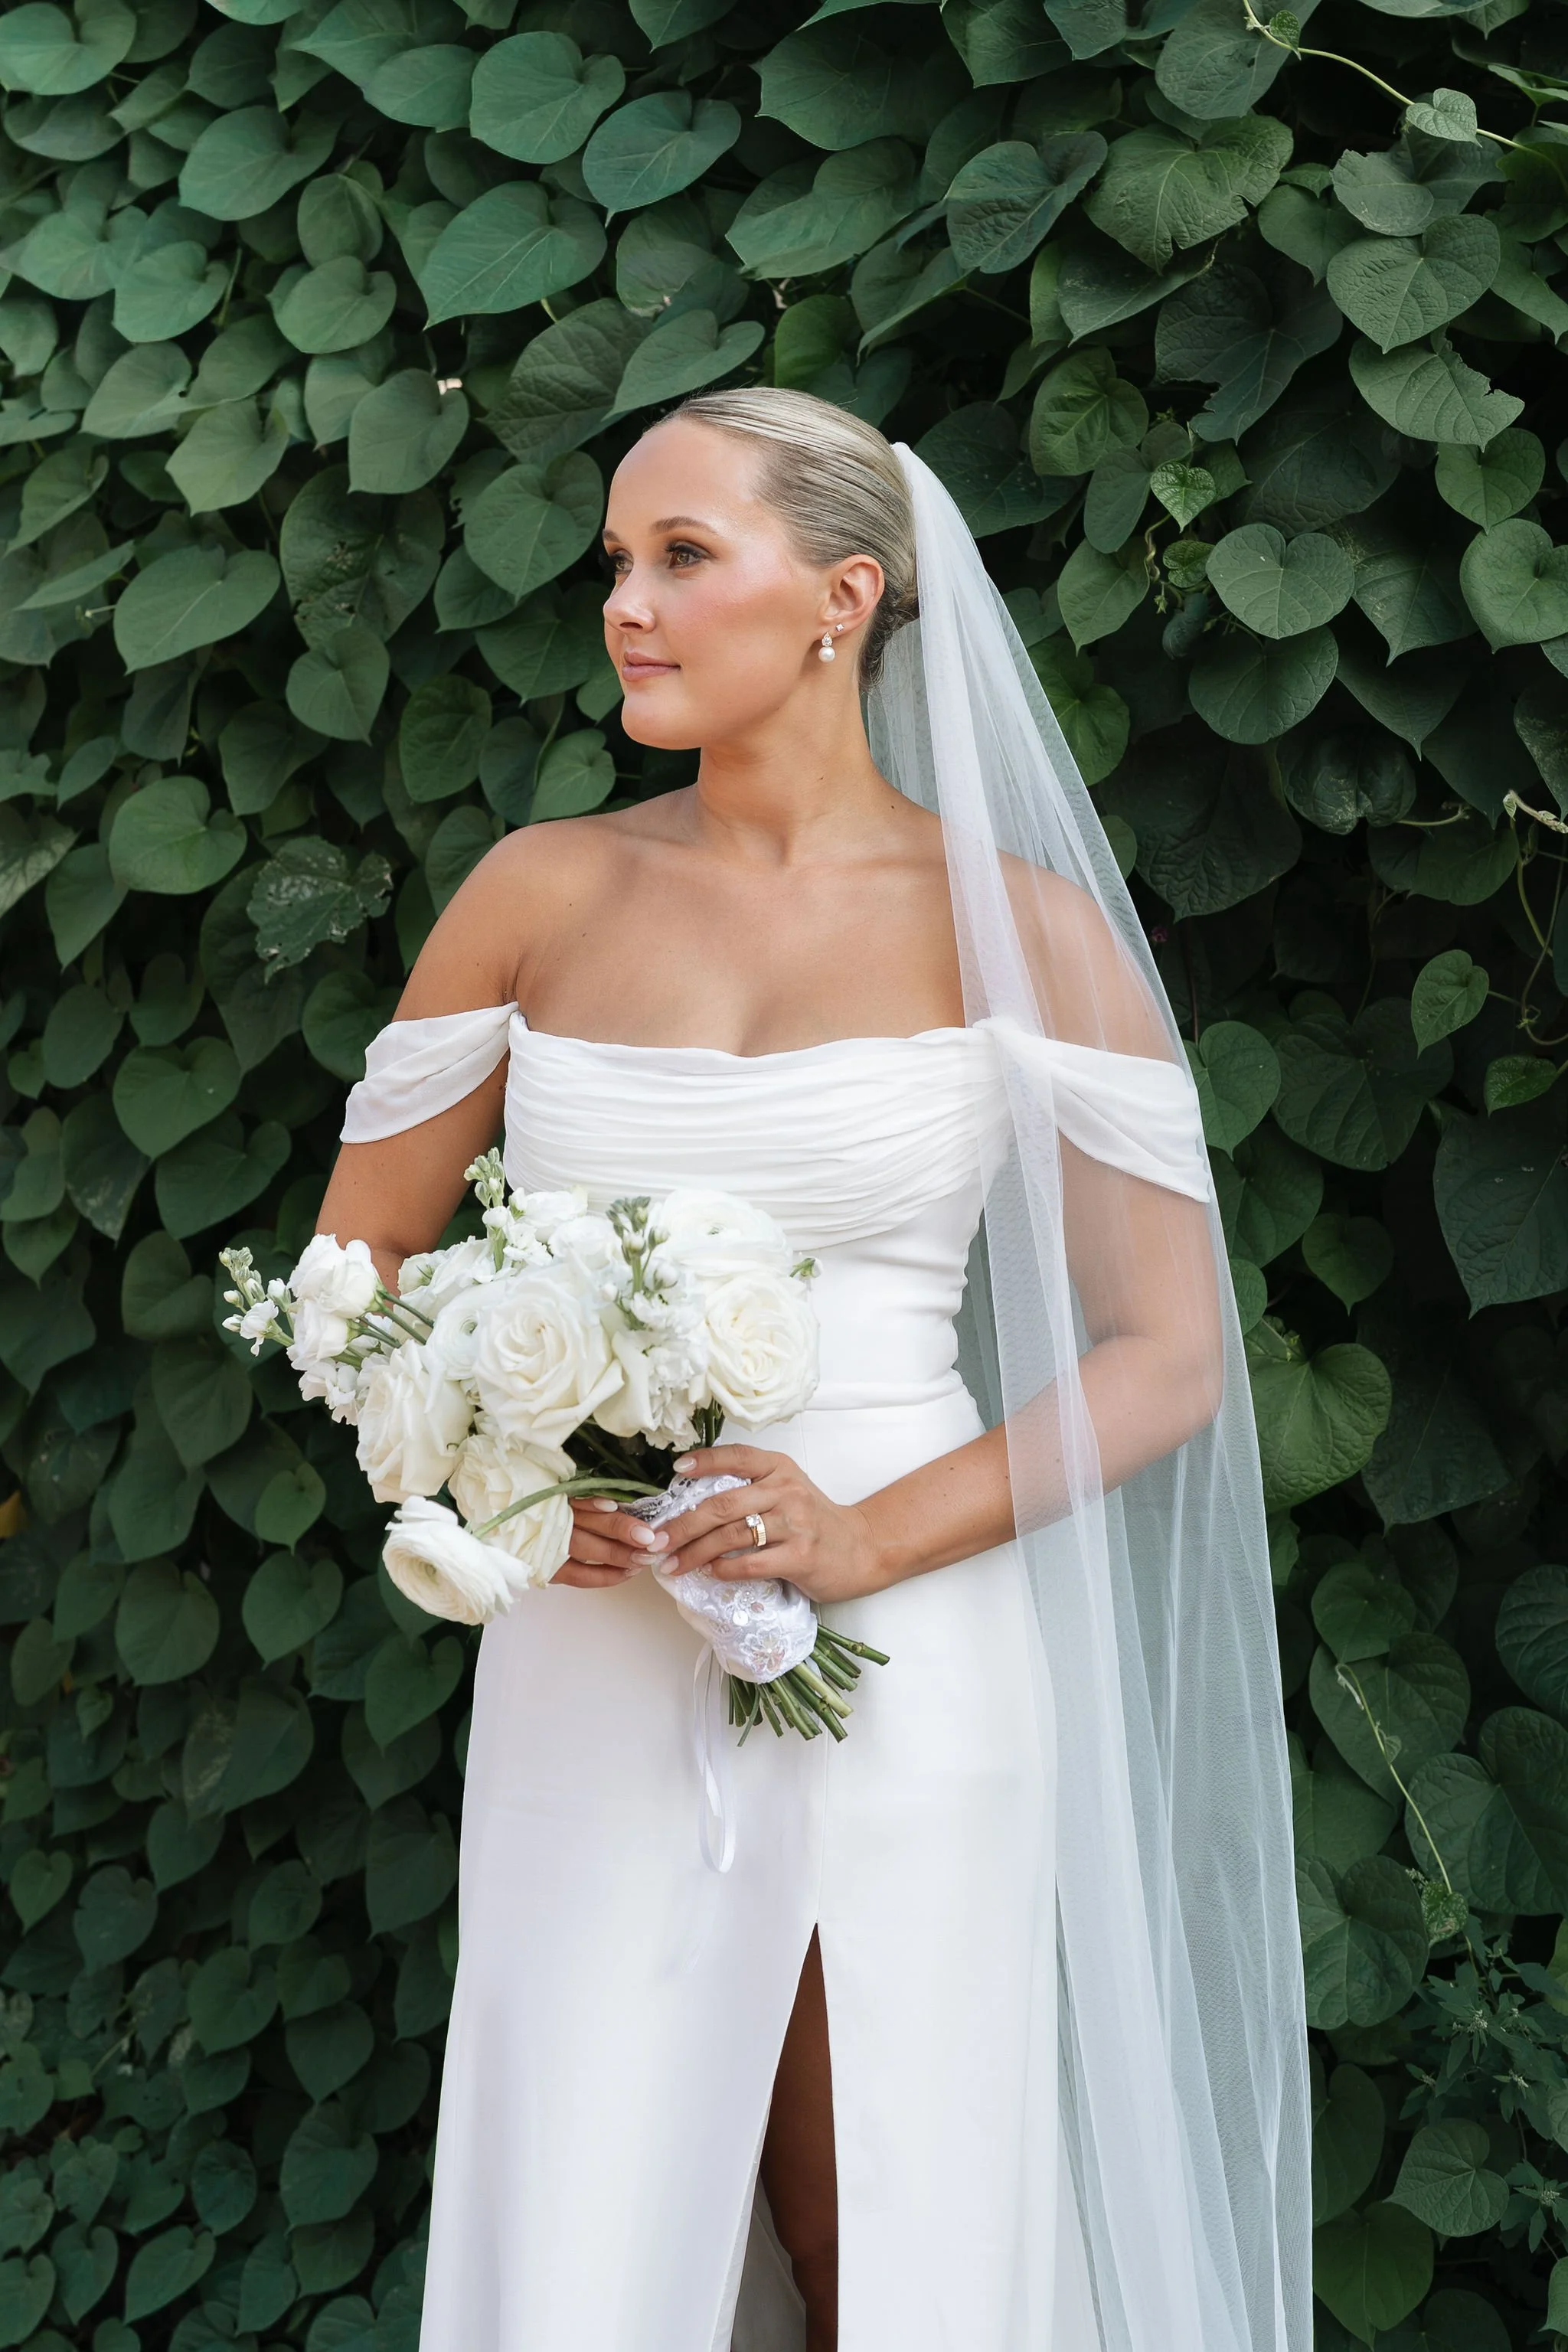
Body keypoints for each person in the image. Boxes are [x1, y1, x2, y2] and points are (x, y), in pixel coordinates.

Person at [316, 389, 1310, 2352]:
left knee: (894, 2197)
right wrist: (519, 1483)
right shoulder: (537, 893)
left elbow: (1167, 1354)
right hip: (595, 1642)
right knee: (602, 2176)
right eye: (618, 561)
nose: (627, 604)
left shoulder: (1021, 936)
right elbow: (357, 1280)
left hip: (912, 1628)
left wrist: (861, 1539)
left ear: (843, 597)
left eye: (683, 556)